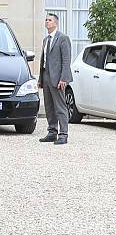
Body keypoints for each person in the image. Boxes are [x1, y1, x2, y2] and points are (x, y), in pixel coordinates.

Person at [38, 13, 72, 145]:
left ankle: (63, 134)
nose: (46, 22)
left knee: (60, 106)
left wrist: (63, 78)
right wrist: (41, 78)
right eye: (46, 20)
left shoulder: (63, 38)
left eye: (49, 20)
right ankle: (52, 131)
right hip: (46, 76)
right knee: (49, 106)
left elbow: (66, 60)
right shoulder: (46, 40)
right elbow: (43, 60)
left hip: (58, 78)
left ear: (55, 23)